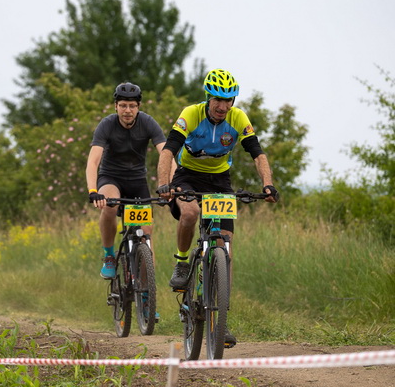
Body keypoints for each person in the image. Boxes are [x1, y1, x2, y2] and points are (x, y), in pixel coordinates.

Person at [156, 69, 279, 346]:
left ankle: (219, 320)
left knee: (225, 247)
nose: (223, 106)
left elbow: (257, 153)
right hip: (187, 177)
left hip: (220, 181)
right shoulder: (191, 114)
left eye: (228, 100)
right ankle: (182, 262)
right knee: (190, 213)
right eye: (217, 100)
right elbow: (168, 150)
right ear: (207, 98)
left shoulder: (238, 118)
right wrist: (164, 184)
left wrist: (268, 184)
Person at [86, 82, 173, 281]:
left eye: (132, 106)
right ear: (116, 106)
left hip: (137, 181)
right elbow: (93, 161)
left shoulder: (148, 122)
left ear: (138, 107)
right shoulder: (107, 124)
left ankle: (147, 293)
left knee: (146, 236)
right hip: (111, 178)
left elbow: (166, 154)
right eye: (123, 105)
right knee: (109, 206)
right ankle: (109, 256)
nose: (127, 110)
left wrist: (170, 184)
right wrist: (93, 191)